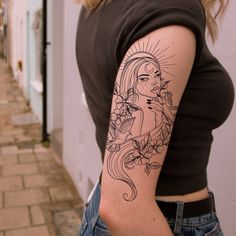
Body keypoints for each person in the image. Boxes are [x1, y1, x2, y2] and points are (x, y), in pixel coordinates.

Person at [76, 0, 234, 235]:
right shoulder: (169, 10)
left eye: (155, 76)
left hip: (106, 213)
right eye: (145, 77)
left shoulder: (97, 7)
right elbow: (126, 206)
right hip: (158, 223)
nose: (152, 81)